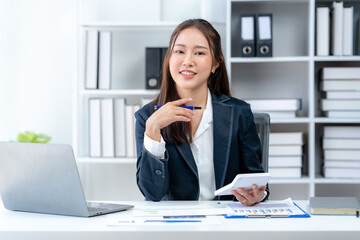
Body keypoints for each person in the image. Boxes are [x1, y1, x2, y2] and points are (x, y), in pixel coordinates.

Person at [135, 19, 269, 205]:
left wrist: (257, 195)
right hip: (175, 226)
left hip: (225, 223)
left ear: (215, 63)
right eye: (179, 51)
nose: (188, 61)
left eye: (199, 53)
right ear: (169, 59)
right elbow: (152, 193)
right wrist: (152, 129)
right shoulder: (147, 117)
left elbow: (256, 181)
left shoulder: (238, 113)